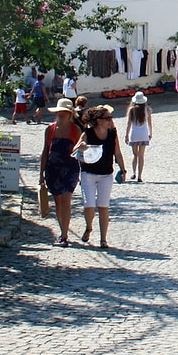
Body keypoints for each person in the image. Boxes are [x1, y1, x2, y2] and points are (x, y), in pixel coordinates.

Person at [73, 105, 127, 249]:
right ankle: (89, 227)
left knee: (103, 206)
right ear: (98, 120)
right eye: (107, 118)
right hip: (88, 173)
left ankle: (103, 239)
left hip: (106, 174)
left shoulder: (112, 133)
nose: (111, 120)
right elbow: (74, 150)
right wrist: (82, 145)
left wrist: (123, 170)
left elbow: (118, 152)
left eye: (110, 118)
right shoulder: (87, 133)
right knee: (89, 205)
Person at [40, 98, 82, 247]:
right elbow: (45, 151)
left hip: (70, 169)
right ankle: (62, 231)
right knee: (58, 202)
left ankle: (64, 235)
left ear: (70, 114)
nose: (62, 114)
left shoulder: (75, 130)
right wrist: (41, 175)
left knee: (66, 200)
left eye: (65, 112)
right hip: (53, 169)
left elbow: (80, 150)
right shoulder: (50, 129)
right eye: (60, 112)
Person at [125, 91, 153, 182]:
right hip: (143, 134)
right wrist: (150, 133)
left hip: (134, 134)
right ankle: (140, 176)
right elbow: (149, 123)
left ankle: (134, 173)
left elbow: (129, 123)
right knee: (141, 156)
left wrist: (126, 135)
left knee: (135, 155)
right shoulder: (147, 110)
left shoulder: (132, 110)